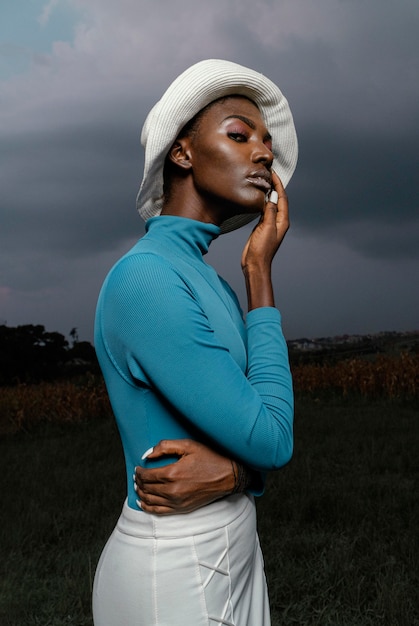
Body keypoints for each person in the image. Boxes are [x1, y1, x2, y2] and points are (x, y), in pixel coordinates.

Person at [92, 58, 298, 626]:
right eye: (239, 134)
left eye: (267, 141)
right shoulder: (147, 279)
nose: (263, 152)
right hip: (178, 570)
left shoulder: (203, 275)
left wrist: (257, 269)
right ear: (181, 154)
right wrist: (247, 469)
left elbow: (255, 433)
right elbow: (272, 438)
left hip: (228, 548)